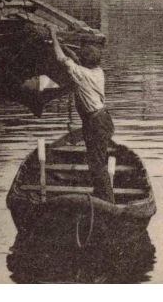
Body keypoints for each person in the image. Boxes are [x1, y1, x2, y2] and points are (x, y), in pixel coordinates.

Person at [49, 29, 115, 202]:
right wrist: (65, 47)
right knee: (96, 160)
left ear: (84, 62)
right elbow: (74, 60)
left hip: (96, 123)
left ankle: (108, 201)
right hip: (101, 120)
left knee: (97, 164)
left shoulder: (81, 75)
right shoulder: (98, 72)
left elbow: (61, 59)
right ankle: (100, 194)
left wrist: (53, 36)